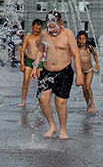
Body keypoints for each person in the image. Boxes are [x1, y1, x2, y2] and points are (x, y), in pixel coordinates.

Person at [32, 11, 83, 139]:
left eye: (54, 27)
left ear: (61, 24)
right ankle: (52, 126)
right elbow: (40, 51)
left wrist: (79, 75)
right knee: (42, 99)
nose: (52, 30)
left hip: (64, 71)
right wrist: (35, 66)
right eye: (49, 27)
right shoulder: (44, 34)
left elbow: (76, 55)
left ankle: (63, 130)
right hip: (47, 70)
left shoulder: (68, 34)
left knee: (60, 102)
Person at [18, 19, 43, 107]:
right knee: (25, 81)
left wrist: (41, 43)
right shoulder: (27, 37)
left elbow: (47, 49)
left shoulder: (42, 37)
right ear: (32, 26)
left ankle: (42, 101)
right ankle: (23, 101)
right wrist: (22, 63)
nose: (37, 30)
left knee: (41, 82)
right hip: (29, 60)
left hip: (39, 61)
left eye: (39, 29)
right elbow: (23, 50)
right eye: (36, 28)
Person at [76, 30, 100, 113]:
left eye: (83, 39)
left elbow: (95, 55)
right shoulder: (76, 49)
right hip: (81, 71)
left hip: (89, 69)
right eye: (80, 39)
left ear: (86, 39)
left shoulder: (89, 47)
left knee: (88, 86)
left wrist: (97, 65)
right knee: (84, 89)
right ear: (77, 39)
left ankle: (92, 103)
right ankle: (88, 104)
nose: (82, 41)